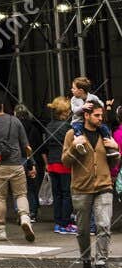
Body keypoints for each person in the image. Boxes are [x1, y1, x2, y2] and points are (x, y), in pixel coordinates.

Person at [63, 99, 120, 268]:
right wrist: (73, 147)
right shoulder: (72, 134)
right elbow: (65, 161)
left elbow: (112, 163)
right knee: (83, 229)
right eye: (96, 115)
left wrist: (116, 148)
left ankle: (102, 262)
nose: (100, 118)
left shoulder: (105, 134)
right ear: (86, 115)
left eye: (101, 115)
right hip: (81, 188)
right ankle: (86, 260)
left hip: (104, 186)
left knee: (104, 225)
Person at [0, 97, 36, 243]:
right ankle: (24, 218)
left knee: (0, 198)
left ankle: (0, 231)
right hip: (16, 164)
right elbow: (26, 145)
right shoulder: (15, 121)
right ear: (2, 106)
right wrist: (32, 164)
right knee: (21, 194)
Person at [44, 96, 76, 235]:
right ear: (64, 112)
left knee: (57, 195)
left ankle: (58, 223)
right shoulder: (67, 127)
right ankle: (65, 223)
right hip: (64, 164)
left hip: (51, 164)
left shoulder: (49, 126)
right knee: (67, 194)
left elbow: (45, 147)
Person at [15, 103, 47, 223]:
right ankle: (33, 212)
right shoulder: (35, 129)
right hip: (34, 160)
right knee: (33, 188)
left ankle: (21, 213)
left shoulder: (14, 128)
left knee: (19, 189)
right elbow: (41, 147)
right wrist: (45, 163)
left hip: (18, 160)